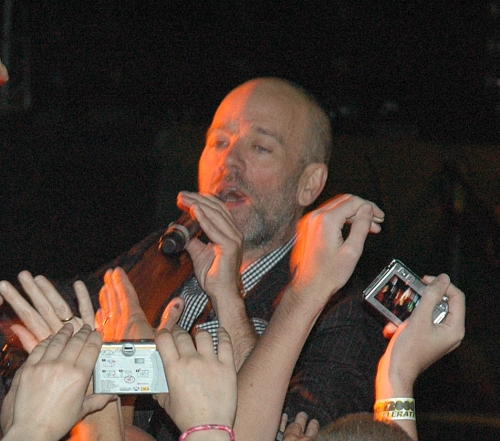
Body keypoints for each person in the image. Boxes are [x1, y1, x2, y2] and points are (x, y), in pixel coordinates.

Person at [31, 77, 387, 440]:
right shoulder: (167, 254)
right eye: (218, 142)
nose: (229, 162)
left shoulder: (342, 312)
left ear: (308, 184)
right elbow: (49, 314)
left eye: (260, 147)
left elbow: (278, 431)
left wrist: (226, 303)